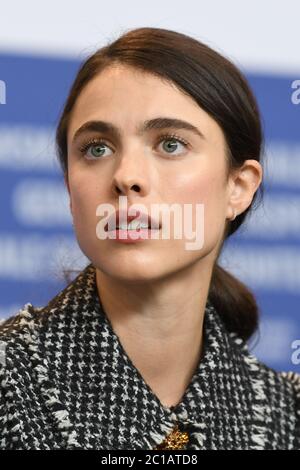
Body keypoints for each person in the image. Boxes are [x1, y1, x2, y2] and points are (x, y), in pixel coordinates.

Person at [0, 27, 299, 450]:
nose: (126, 177)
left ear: (239, 186)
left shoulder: (289, 415)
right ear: (70, 190)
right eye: (97, 149)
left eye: (171, 144)